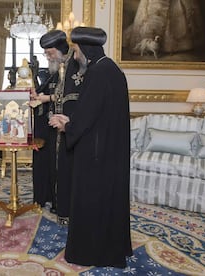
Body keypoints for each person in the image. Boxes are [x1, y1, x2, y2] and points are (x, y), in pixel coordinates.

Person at [49, 27, 133, 267]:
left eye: (75, 51)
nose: (74, 57)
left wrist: (67, 126)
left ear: (85, 49)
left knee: (91, 201)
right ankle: (113, 246)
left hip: (95, 155)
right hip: (109, 150)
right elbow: (97, 115)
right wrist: (72, 122)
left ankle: (90, 252)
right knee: (110, 200)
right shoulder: (112, 70)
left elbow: (86, 117)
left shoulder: (97, 73)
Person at [30, 30, 81, 226]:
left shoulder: (74, 64)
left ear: (60, 49)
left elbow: (74, 94)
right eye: (46, 53)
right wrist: (39, 95)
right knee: (53, 163)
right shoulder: (59, 66)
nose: (47, 57)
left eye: (49, 52)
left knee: (65, 165)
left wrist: (46, 98)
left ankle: (64, 204)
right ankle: (53, 199)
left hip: (69, 125)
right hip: (53, 125)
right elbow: (51, 89)